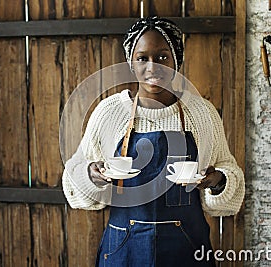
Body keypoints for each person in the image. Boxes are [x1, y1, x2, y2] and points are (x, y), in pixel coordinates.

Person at [62, 16, 245, 267]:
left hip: (187, 249)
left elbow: (229, 172)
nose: (152, 67)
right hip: (123, 250)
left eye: (162, 57)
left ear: (176, 60)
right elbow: (73, 177)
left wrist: (218, 181)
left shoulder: (201, 112)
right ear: (131, 62)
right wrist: (90, 175)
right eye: (142, 58)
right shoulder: (110, 112)